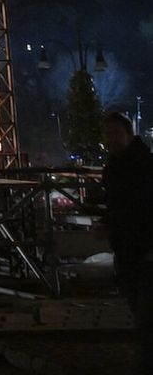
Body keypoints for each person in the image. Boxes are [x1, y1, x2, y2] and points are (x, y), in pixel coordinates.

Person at [101, 111, 153, 372]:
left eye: (115, 134)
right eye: (108, 134)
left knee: (146, 315)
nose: (111, 139)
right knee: (141, 311)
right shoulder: (122, 165)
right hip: (131, 248)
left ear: (129, 135)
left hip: (142, 249)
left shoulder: (137, 166)